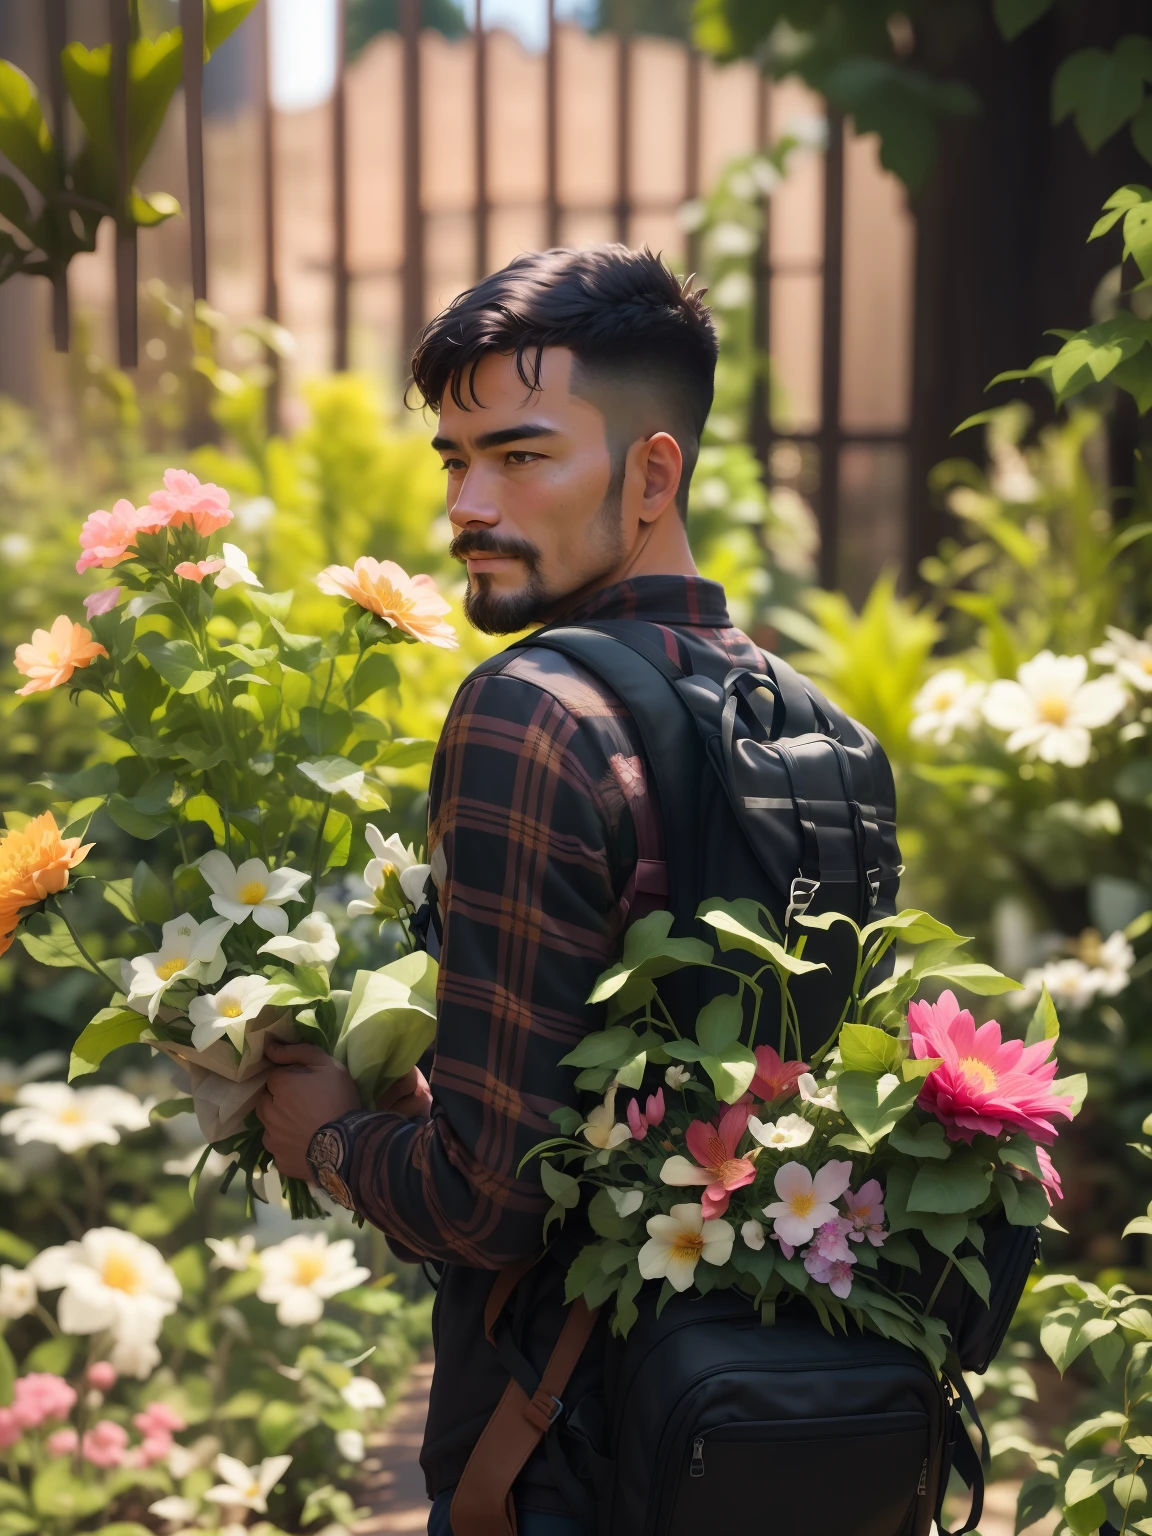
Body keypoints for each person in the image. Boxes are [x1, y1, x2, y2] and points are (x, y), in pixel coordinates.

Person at [255, 244, 769, 1536]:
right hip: (792, 1433)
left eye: (522, 457)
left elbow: (490, 1199)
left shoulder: (527, 716)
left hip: (573, 1459)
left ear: (655, 472)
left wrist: (327, 1136)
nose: (468, 505)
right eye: (453, 459)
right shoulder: (806, 724)